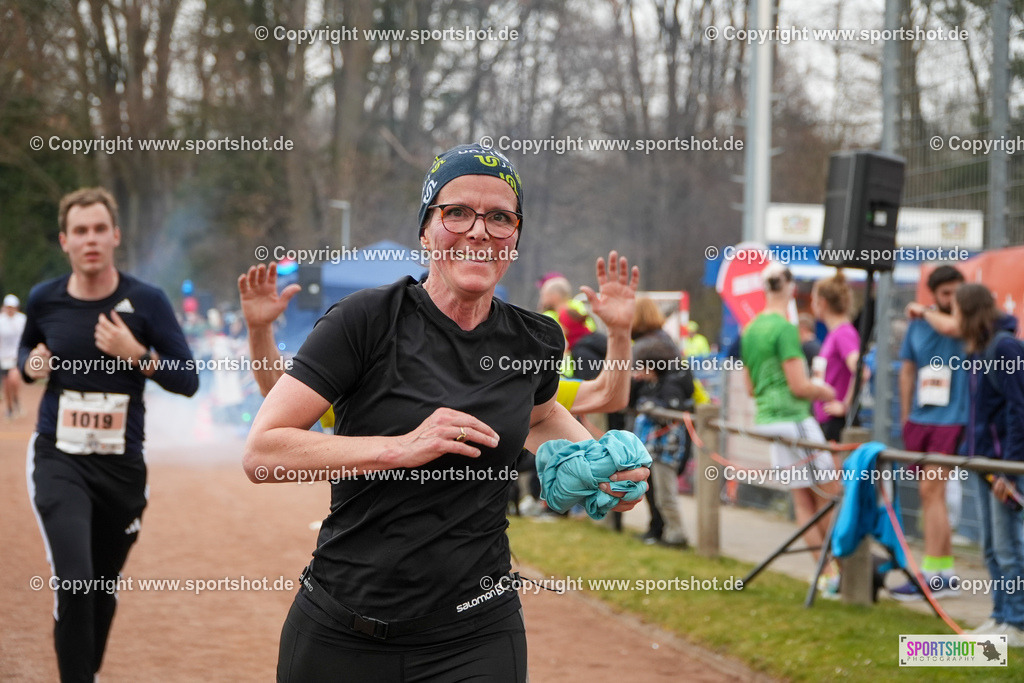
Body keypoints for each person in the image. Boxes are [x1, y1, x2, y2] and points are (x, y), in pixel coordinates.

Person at [242, 144, 648, 682]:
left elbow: (541, 414)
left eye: (500, 218)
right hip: (343, 629)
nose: (479, 231)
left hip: (476, 632)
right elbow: (262, 452)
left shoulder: (534, 340)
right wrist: (400, 448)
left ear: (515, 240)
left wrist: (609, 468)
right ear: (426, 231)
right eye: (457, 212)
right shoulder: (364, 322)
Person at [20, 187, 199, 682]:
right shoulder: (44, 299)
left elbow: (188, 379)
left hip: (121, 467)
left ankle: (84, 672)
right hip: (60, 459)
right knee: (75, 581)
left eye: (100, 229)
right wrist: (32, 364)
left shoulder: (146, 302)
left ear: (115, 235)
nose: (91, 239)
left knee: (100, 587)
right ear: (65, 241)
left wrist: (136, 352)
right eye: (80, 231)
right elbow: (27, 354)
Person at [741, 263, 840, 589]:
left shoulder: (750, 329)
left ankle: (827, 575)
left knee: (802, 501)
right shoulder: (785, 328)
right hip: (794, 418)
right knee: (829, 494)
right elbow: (800, 387)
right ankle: (838, 571)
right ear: (790, 288)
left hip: (769, 419)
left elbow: (750, 388)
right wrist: (824, 390)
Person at [890, 265, 967, 600]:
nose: (952, 299)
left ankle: (932, 576)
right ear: (933, 293)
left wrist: (924, 310)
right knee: (931, 495)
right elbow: (907, 371)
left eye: (957, 292)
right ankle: (945, 572)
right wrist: (907, 417)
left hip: (952, 419)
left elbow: (953, 327)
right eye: (946, 293)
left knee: (931, 492)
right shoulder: (917, 326)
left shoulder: (966, 321)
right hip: (922, 419)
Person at [953, 283, 1024, 645]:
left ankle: (1018, 622)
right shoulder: (979, 351)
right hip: (983, 463)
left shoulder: (1005, 347)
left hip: (1004, 467)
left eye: (956, 311)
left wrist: (1010, 469)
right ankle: (1001, 615)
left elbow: (1018, 410)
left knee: (1010, 546)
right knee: (992, 548)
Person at [632, 331, 694, 548]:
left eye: (642, 367)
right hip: (655, 449)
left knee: (666, 496)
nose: (638, 372)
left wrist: (653, 409)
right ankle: (668, 532)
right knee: (659, 495)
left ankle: (677, 535)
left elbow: (671, 413)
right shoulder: (653, 385)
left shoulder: (670, 386)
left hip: (667, 451)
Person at [810, 270, 860, 443]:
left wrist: (845, 405)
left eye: (813, 301)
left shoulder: (843, 333)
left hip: (835, 423)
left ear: (822, 303)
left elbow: (861, 370)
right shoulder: (834, 334)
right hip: (826, 419)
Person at [1, 293, 27, 418]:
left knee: (14, 380)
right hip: (3, 358)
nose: (10, 309)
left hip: (17, 356)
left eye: (12, 307)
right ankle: (10, 407)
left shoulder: (22, 320)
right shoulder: (1, 320)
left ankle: (16, 399)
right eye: (8, 307)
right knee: (6, 386)